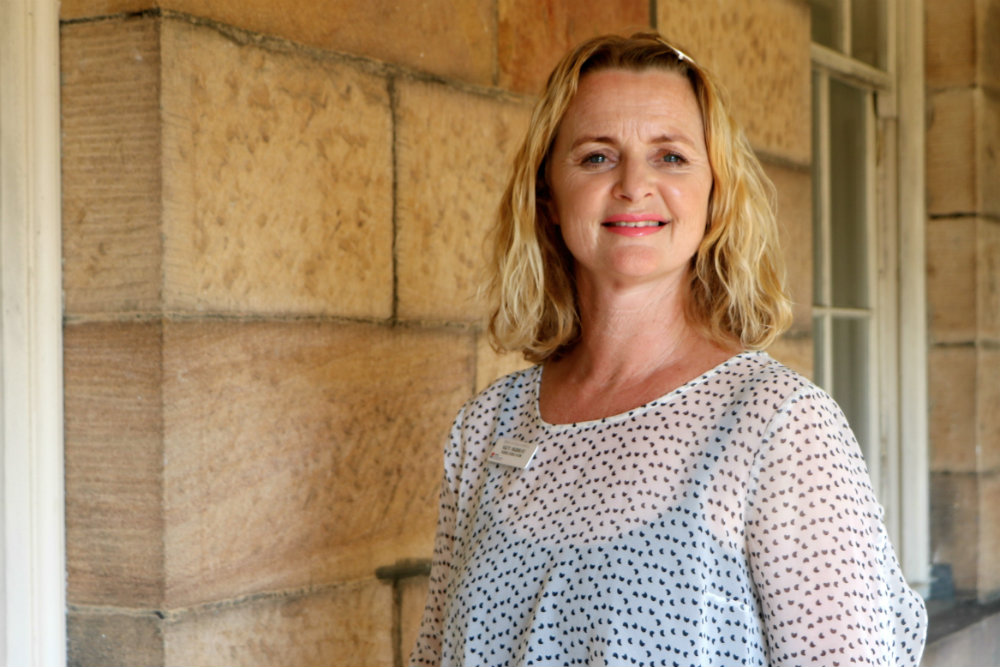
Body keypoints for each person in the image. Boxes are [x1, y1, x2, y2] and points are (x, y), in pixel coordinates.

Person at [410, 32, 927, 667]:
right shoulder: (486, 428)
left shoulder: (779, 425)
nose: (634, 185)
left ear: (715, 196)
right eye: (597, 157)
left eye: (672, 157)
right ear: (547, 196)